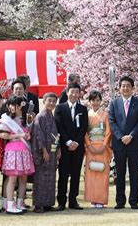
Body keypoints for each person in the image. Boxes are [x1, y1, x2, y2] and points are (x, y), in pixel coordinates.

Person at [109, 76, 138, 209]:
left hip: (134, 143)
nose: (125, 88)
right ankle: (120, 201)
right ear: (119, 88)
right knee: (120, 174)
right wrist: (120, 137)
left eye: (128, 86)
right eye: (123, 86)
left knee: (134, 173)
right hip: (119, 144)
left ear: (132, 88)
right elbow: (112, 122)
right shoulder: (114, 103)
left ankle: (134, 201)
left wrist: (130, 136)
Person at [55, 82, 88, 211]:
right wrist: (68, 142)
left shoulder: (83, 109)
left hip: (78, 147)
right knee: (63, 174)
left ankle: (73, 200)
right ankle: (61, 201)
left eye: (77, 92)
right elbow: (59, 126)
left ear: (80, 94)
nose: (74, 94)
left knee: (75, 174)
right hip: (64, 146)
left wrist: (76, 142)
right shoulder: (60, 108)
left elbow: (84, 128)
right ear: (67, 92)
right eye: (72, 92)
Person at [0, 96, 34, 214]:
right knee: (12, 178)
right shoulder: (6, 120)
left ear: (20, 106)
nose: (11, 107)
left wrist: (27, 135)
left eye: (14, 105)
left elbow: (28, 133)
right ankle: (9, 204)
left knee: (23, 178)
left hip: (24, 150)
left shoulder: (24, 119)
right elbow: (5, 136)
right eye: (10, 105)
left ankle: (20, 202)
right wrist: (19, 135)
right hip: (13, 150)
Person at [31, 92, 60, 213]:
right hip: (42, 152)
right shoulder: (40, 117)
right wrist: (44, 151)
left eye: (54, 101)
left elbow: (56, 135)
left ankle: (48, 203)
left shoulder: (51, 116)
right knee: (40, 178)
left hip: (52, 152)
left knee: (51, 178)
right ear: (44, 101)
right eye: (49, 101)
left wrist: (58, 149)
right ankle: (38, 204)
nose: (52, 103)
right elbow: (38, 135)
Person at [83, 90, 112, 208]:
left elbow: (108, 132)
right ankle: (92, 199)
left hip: (102, 147)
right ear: (89, 102)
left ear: (101, 101)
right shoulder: (87, 115)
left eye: (97, 100)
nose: (95, 103)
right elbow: (84, 132)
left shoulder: (105, 115)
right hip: (90, 147)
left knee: (102, 173)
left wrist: (104, 145)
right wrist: (89, 145)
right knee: (91, 173)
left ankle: (100, 200)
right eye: (93, 100)